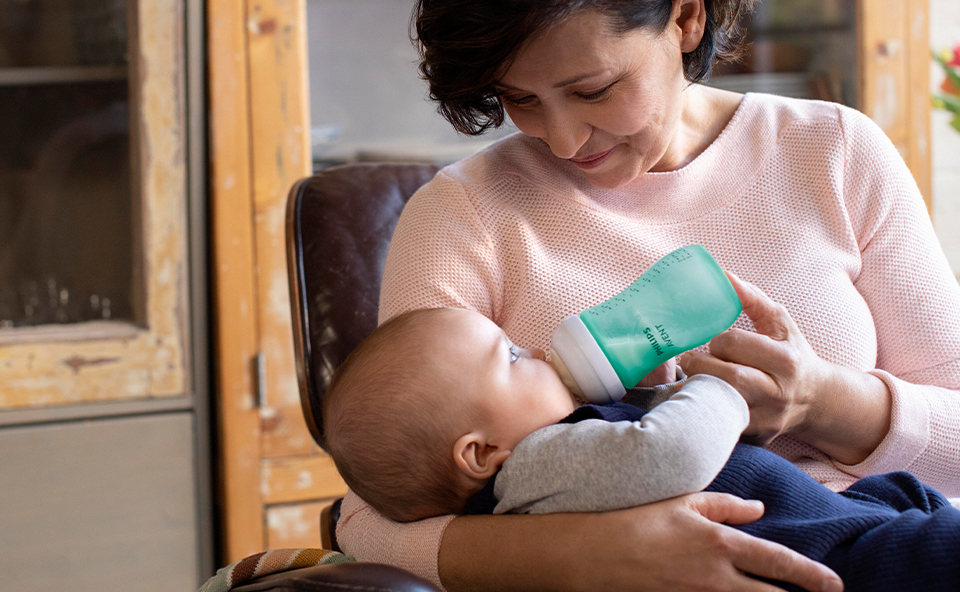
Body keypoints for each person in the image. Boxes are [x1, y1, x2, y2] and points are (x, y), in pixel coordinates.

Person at [334, 0, 960, 590]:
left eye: (592, 90)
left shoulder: (835, 151)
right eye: (519, 98)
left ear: (686, 17)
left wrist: (821, 400)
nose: (562, 141)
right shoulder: (462, 214)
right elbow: (370, 523)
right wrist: (590, 553)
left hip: (881, 526)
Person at [324, 306, 960, 592]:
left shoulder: (563, 455)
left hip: (837, 511)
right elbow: (671, 456)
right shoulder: (534, 468)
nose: (537, 350)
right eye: (512, 357)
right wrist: (715, 389)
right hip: (810, 553)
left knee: (914, 508)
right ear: (480, 454)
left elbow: (637, 452)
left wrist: (663, 390)